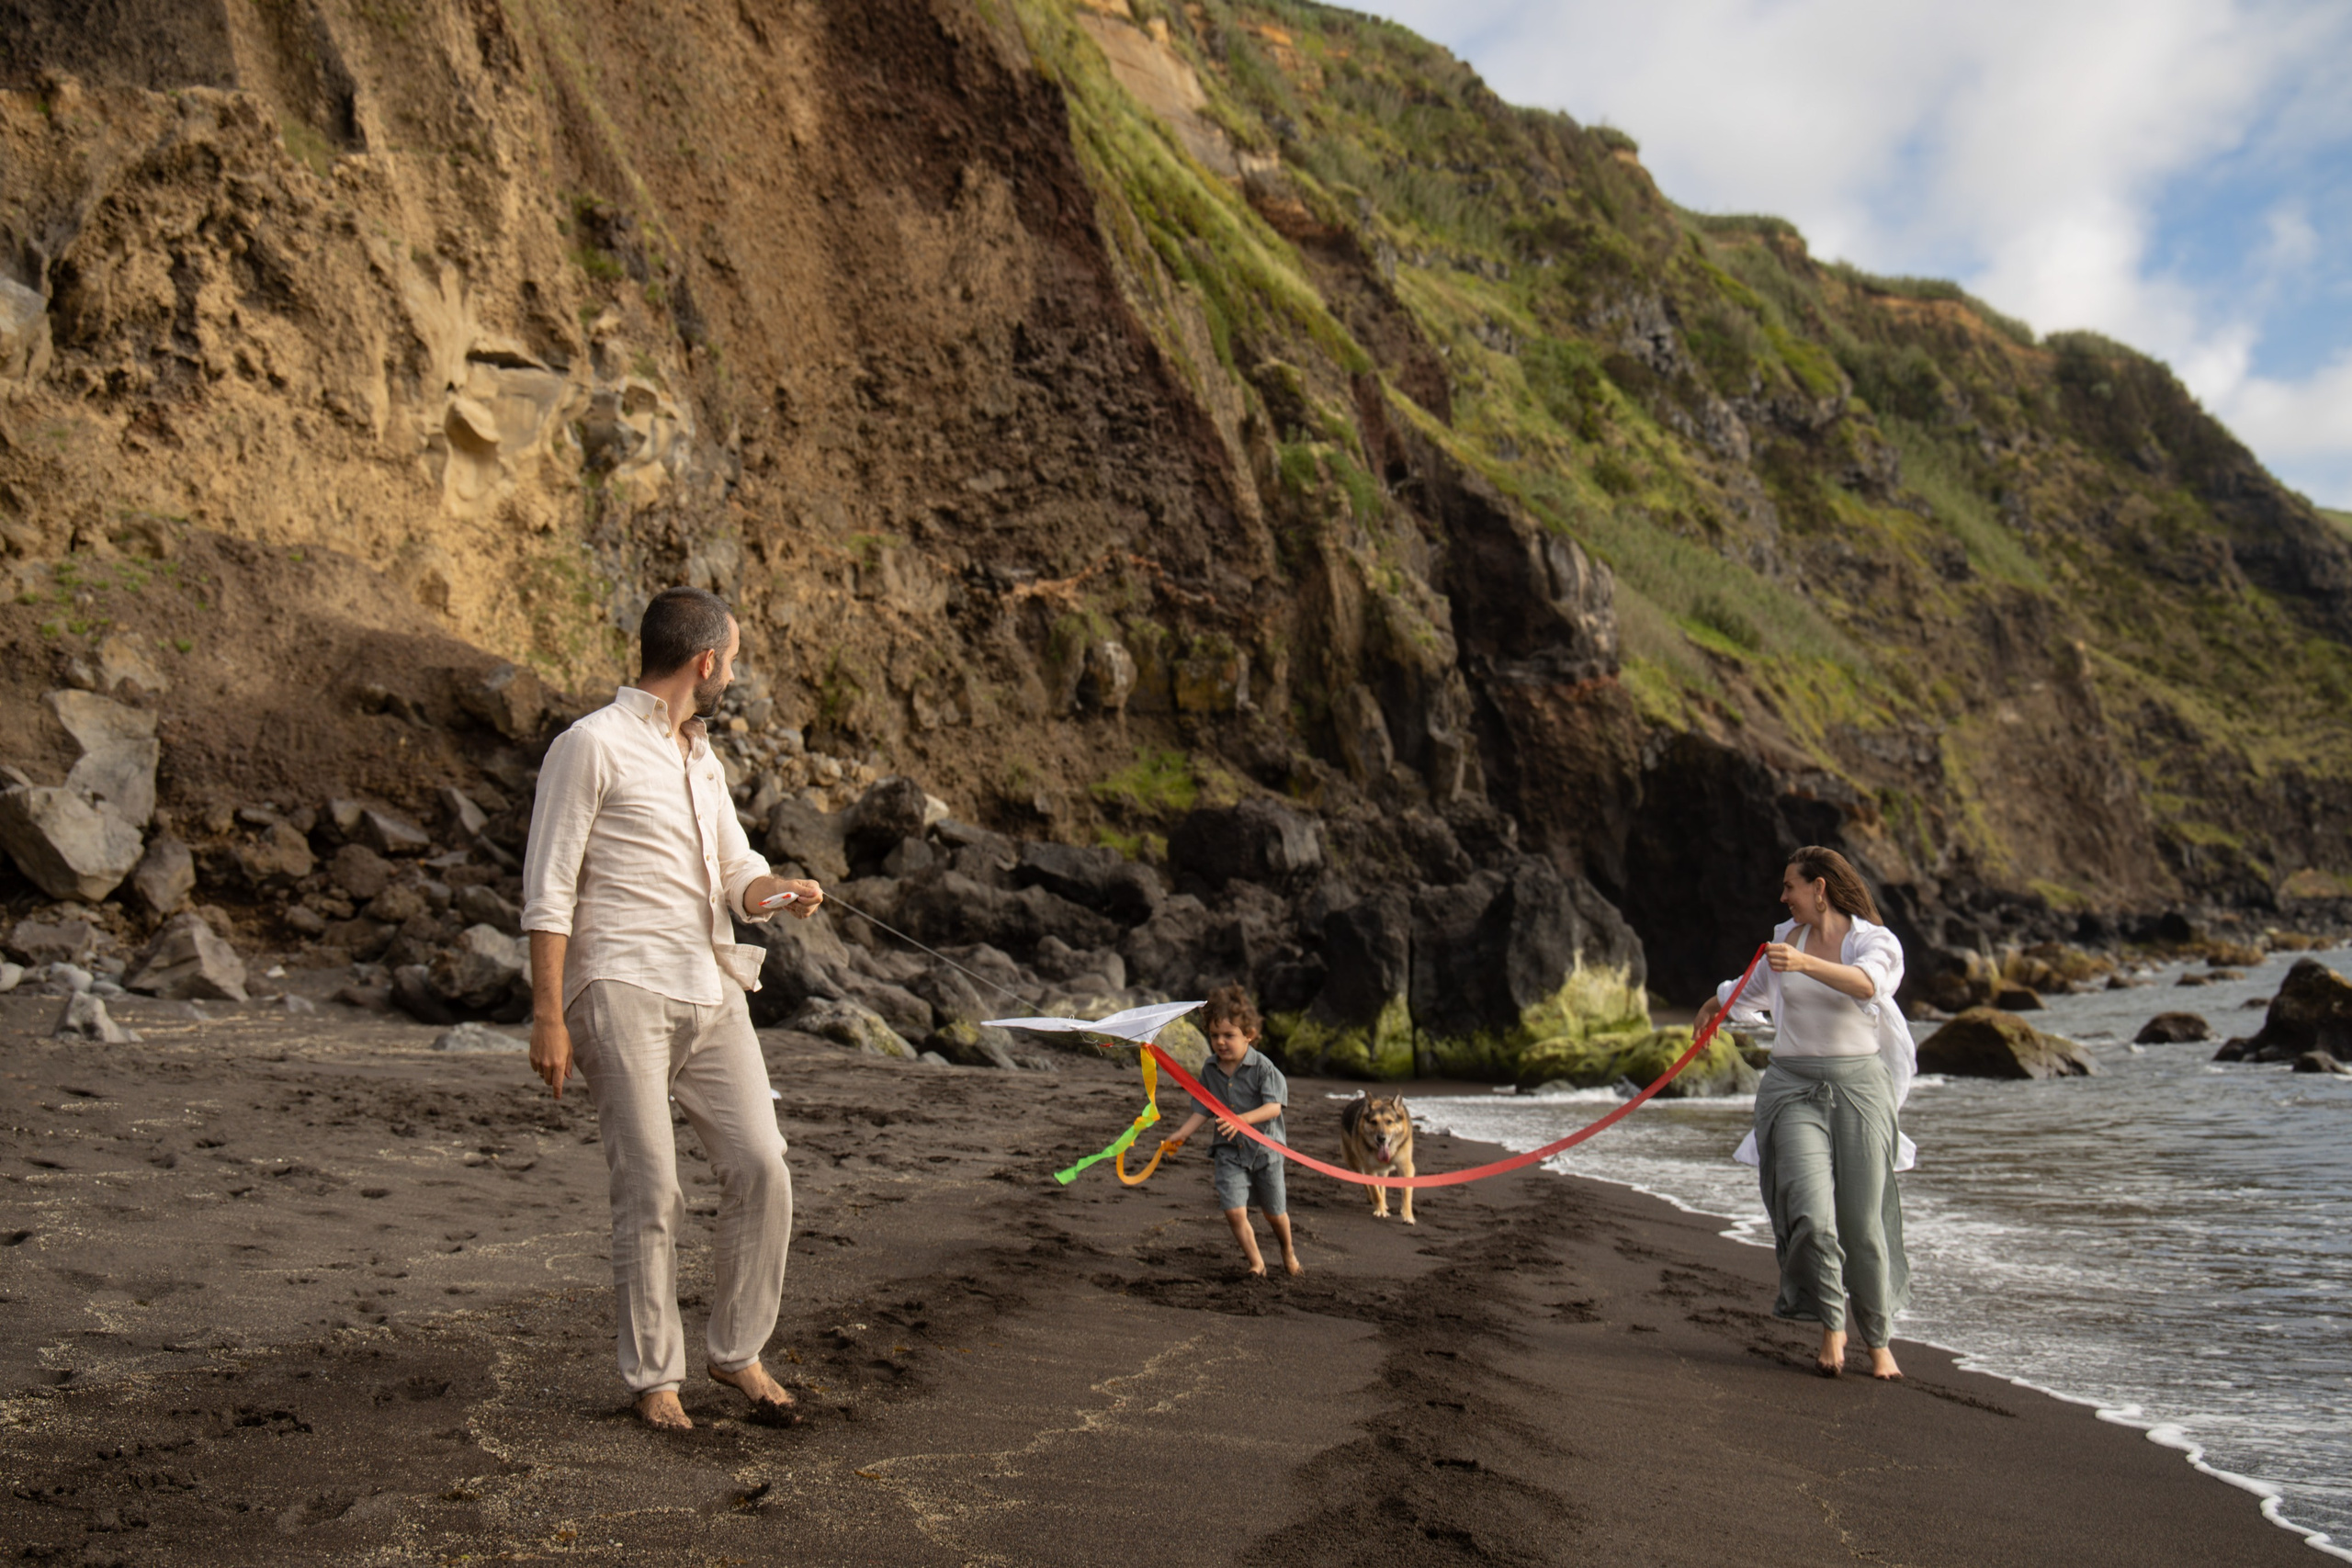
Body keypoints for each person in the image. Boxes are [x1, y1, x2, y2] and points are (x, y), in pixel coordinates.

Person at [520, 585, 826, 1431]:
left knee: (763, 1165)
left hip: (712, 986)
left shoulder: (703, 759)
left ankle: (737, 1353)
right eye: (733, 660)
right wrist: (548, 1015)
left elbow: (736, 873)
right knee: (652, 1188)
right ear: (705, 661)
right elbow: (548, 887)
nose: (733, 674)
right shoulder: (589, 744)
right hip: (619, 985)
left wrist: (779, 890)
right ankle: (657, 1377)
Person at [1696, 846, 1917, 1382]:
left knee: (1863, 1225)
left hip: (1859, 1091)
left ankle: (1878, 1338)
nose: (1783, 896)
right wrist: (1711, 1008)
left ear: (1819, 889)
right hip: (1791, 1089)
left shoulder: (1873, 941)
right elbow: (1744, 992)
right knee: (1810, 1217)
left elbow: (1869, 984)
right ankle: (1831, 1325)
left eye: (1790, 886)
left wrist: (1804, 965)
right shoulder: (1784, 943)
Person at [1165, 987, 1303, 1278]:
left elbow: (1273, 1107)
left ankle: (1287, 1251)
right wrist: (1182, 1133)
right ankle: (1257, 1263)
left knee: (1274, 1213)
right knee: (1234, 1211)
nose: (1220, 1042)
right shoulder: (1210, 1069)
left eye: (1229, 1035)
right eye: (1214, 1035)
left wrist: (1241, 1120)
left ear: (1249, 1034)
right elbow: (1204, 1107)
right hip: (1228, 1151)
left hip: (1265, 1152)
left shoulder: (1264, 1068)